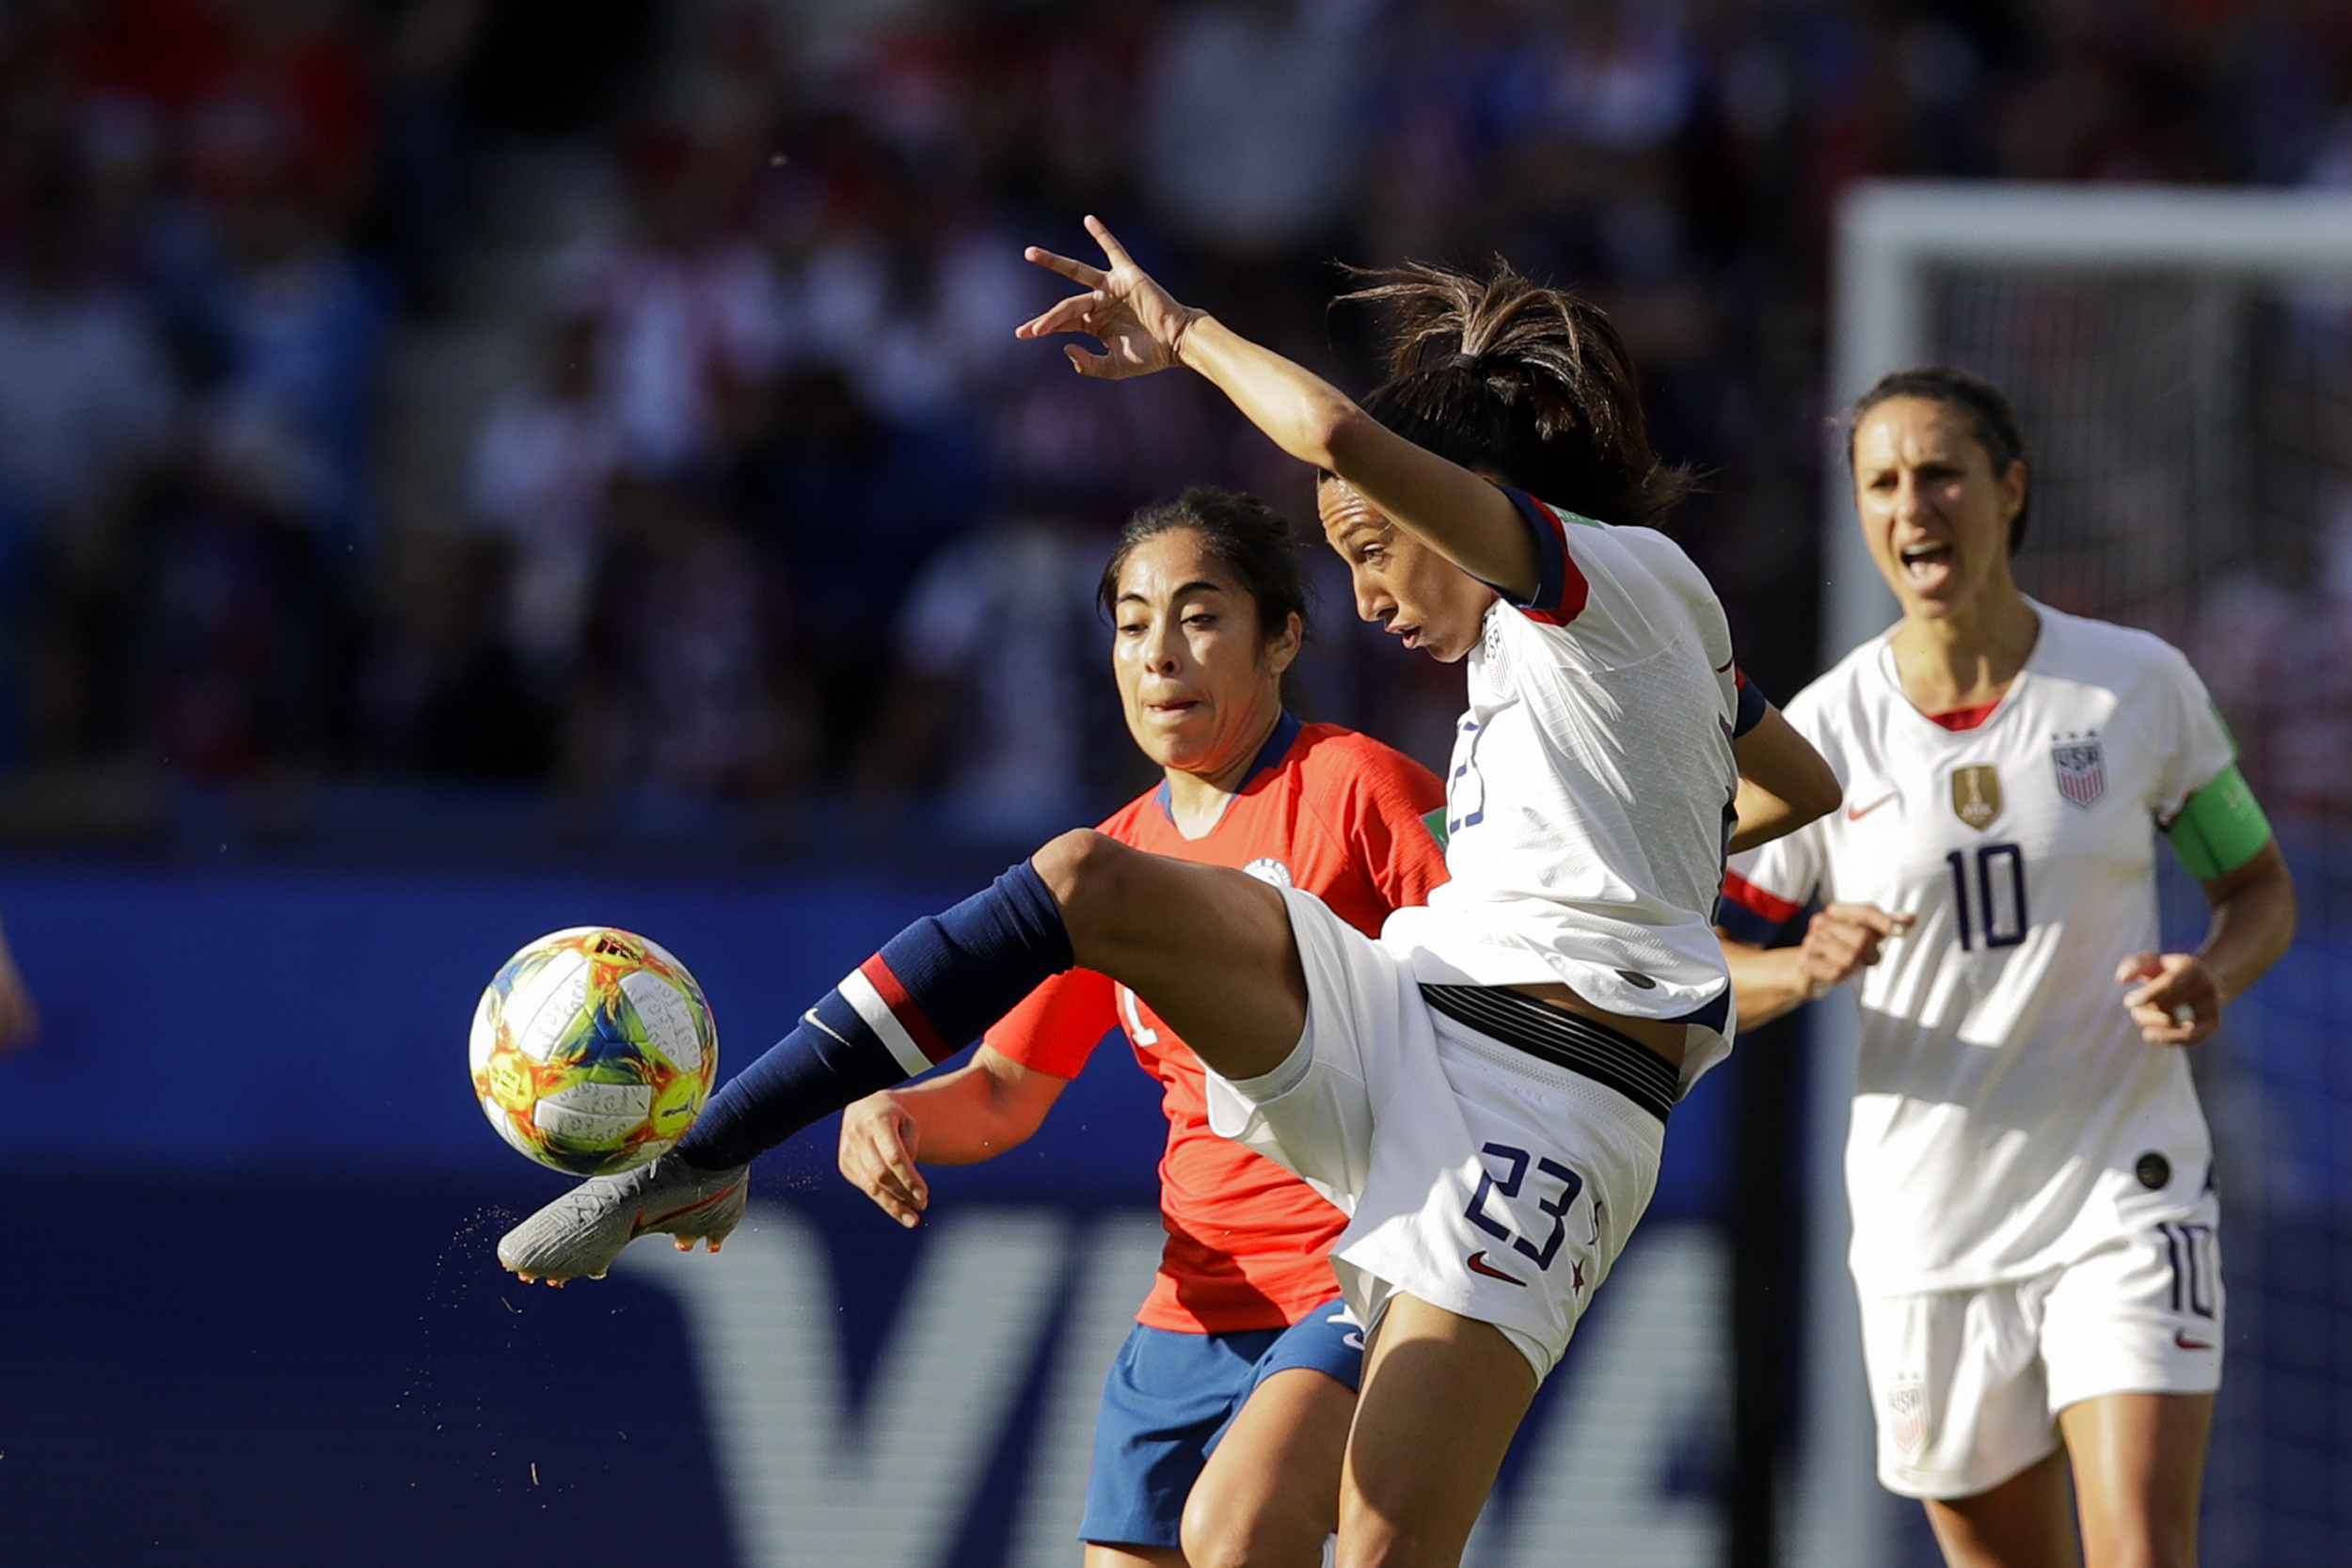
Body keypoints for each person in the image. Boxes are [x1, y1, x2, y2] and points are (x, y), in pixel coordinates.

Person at [500, 218, 1836, 1567]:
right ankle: (701, 1155)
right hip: (1410, 1012)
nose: (1369, 594)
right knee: (1086, 876)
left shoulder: (1609, 578)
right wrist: (1655, 836)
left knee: (1375, 1539)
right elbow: (1794, 779)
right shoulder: (1593, 654)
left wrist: (1184, 331)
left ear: (1466, 494)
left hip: (1547, 1105)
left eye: (1376, 546)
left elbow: (1330, 430)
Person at [1716, 367, 2297, 1568]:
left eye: (1940, 473)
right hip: (1929, 1219)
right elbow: (1704, 954)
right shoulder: (1819, 739)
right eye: (1881, 481)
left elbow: (2257, 888)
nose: (1910, 505)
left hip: (2123, 1185)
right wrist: (1800, 967)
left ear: (2009, 488)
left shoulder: (2135, 684)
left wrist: (2211, 976)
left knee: (2139, 1544)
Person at [838, 485, 1447, 1568]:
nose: (1160, 652)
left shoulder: (1360, 788)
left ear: (1282, 638)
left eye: (1201, 615)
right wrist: (891, 1111)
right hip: (1193, 1303)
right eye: (1131, 624)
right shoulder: (1108, 868)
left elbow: (1503, 983)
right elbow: (1001, 1092)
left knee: (1239, 1528)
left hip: (1361, 1271)